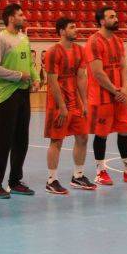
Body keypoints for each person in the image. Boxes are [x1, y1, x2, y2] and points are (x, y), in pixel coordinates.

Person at [85, 6, 127, 185]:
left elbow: (123, 67)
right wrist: (116, 91)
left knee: (125, 130)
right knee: (102, 134)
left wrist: (125, 89)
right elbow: (98, 73)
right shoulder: (93, 42)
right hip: (102, 97)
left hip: (118, 95)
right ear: (101, 21)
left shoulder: (118, 41)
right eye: (111, 16)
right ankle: (100, 172)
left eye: (116, 16)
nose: (116, 19)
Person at [0, 3, 38, 199]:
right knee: (2, 142)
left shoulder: (24, 38)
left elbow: (30, 63)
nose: (24, 17)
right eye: (20, 15)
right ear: (10, 18)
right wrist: (18, 76)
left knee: (21, 140)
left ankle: (15, 181)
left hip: (23, 94)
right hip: (7, 95)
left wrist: (35, 78)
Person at [42, 17, 95, 195]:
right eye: (72, 27)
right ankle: (51, 180)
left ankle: (78, 176)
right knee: (56, 140)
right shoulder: (52, 52)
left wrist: (85, 102)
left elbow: (81, 77)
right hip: (58, 104)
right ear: (62, 31)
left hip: (75, 103)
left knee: (83, 137)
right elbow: (52, 81)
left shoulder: (80, 50)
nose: (76, 30)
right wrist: (62, 106)